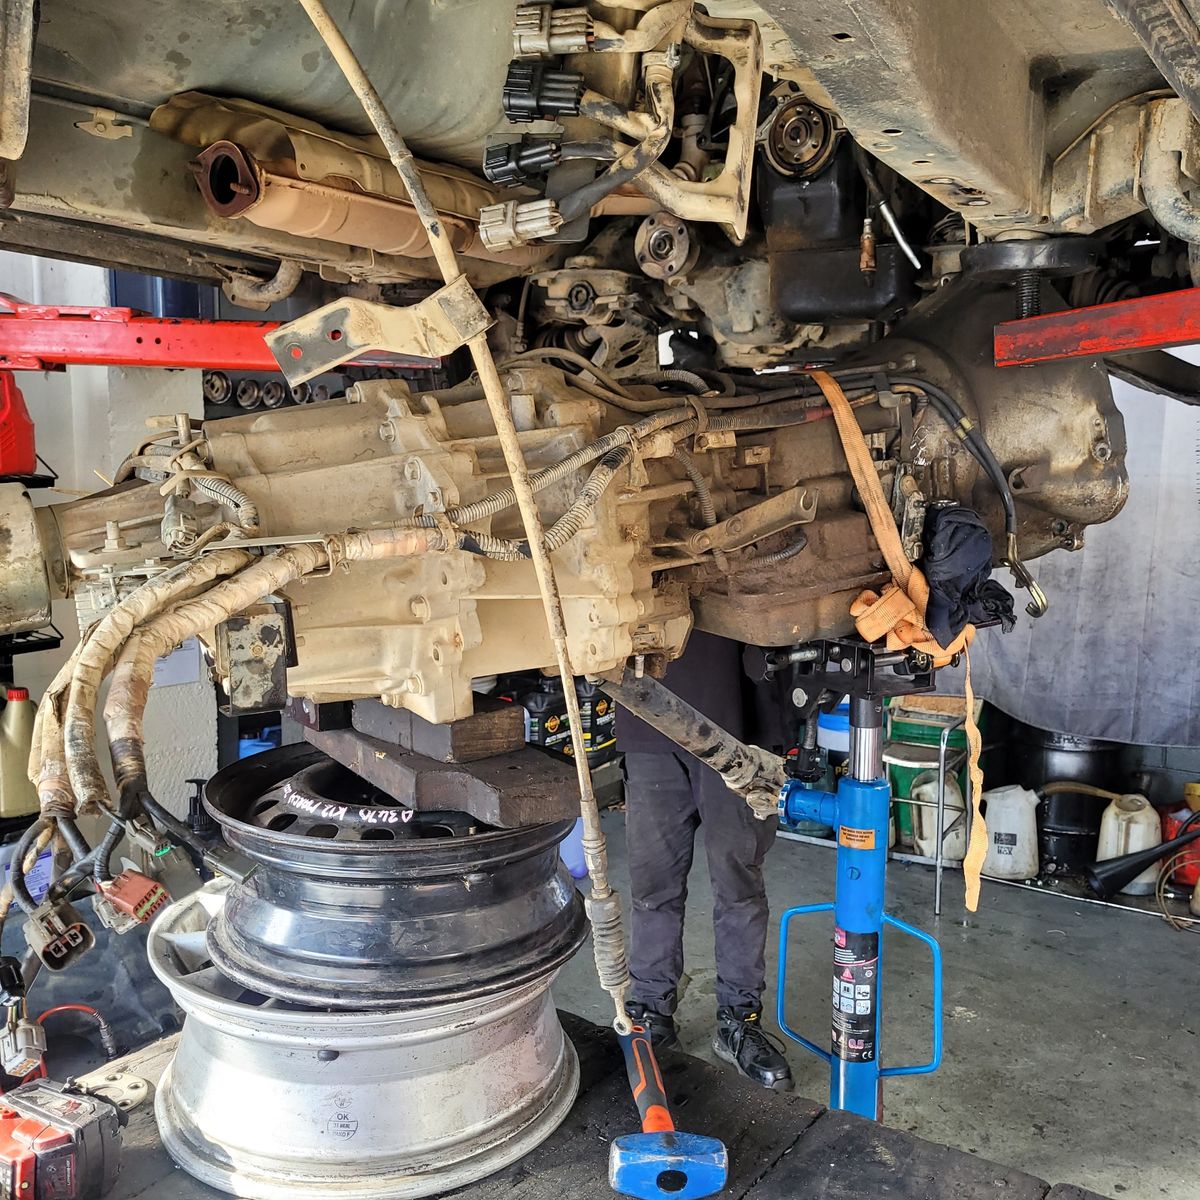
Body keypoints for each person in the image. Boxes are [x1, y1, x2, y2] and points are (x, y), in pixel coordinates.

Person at [617, 630, 793, 1092]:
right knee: (653, 887)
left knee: (738, 886)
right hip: (647, 718)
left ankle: (739, 1020)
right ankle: (650, 1013)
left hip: (742, 729)